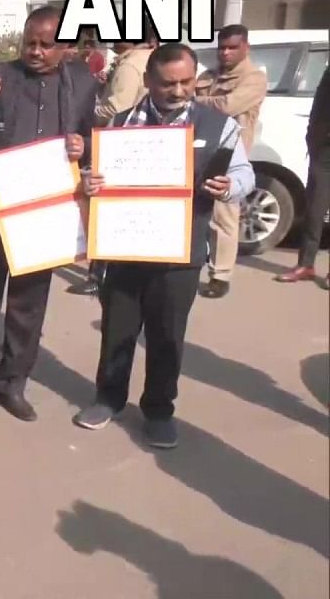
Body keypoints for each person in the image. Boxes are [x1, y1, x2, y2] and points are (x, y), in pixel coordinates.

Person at [73, 43, 255, 449]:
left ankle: (158, 410)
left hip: (180, 252)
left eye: (186, 81)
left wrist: (229, 188)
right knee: (118, 329)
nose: (178, 91)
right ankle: (108, 399)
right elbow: (93, 175)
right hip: (124, 249)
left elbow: (245, 175)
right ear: (148, 81)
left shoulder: (219, 126)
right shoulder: (118, 126)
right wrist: (90, 183)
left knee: (167, 334)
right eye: (168, 83)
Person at [0, 5, 96, 422]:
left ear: (66, 47)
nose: (35, 51)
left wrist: (82, 146)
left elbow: (92, 136)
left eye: (45, 45)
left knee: (27, 306)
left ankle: (12, 383)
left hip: (45, 214)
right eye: (29, 43)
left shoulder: (85, 83)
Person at [72, 30, 159, 296]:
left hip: (118, 143)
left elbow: (117, 107)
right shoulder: (147, 59)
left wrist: (89, 113)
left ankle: (99, 275)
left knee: (105, 207)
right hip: (139, 144)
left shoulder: (131, 64)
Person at [196, 24, 268, 299]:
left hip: (229, 153)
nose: (225, 53)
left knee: (223, 216)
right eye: (222, 47)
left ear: (245, 48)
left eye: (232, 47)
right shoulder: (209, 75)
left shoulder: (253, 78)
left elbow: (228, 107)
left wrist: (197, 99)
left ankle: (220, 275)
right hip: (199, 148)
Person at [277, 69, 330, 287]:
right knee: (314, 211)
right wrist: (311, 136)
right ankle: (306, 264)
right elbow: (319, 104)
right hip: (322, 148)